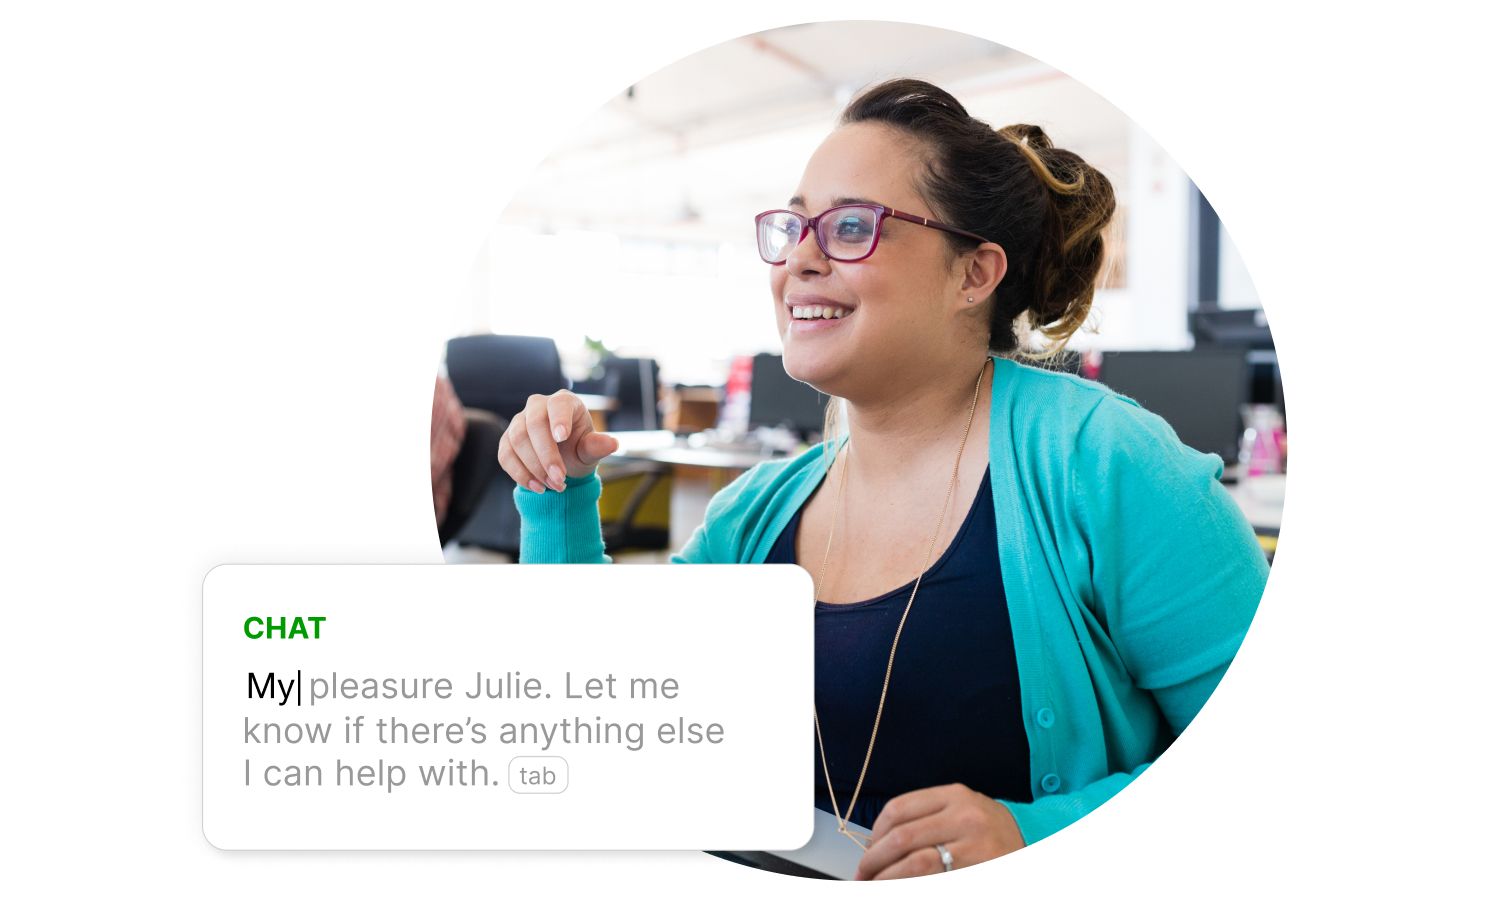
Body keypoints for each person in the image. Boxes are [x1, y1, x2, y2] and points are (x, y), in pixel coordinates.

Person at [494, 78, 1269, 880]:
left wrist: (1036, 836)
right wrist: (557, 497)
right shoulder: (754, 514)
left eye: (853, 226)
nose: (799, 258)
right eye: (794, 225)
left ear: (974, 275)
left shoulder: (1103, 464)